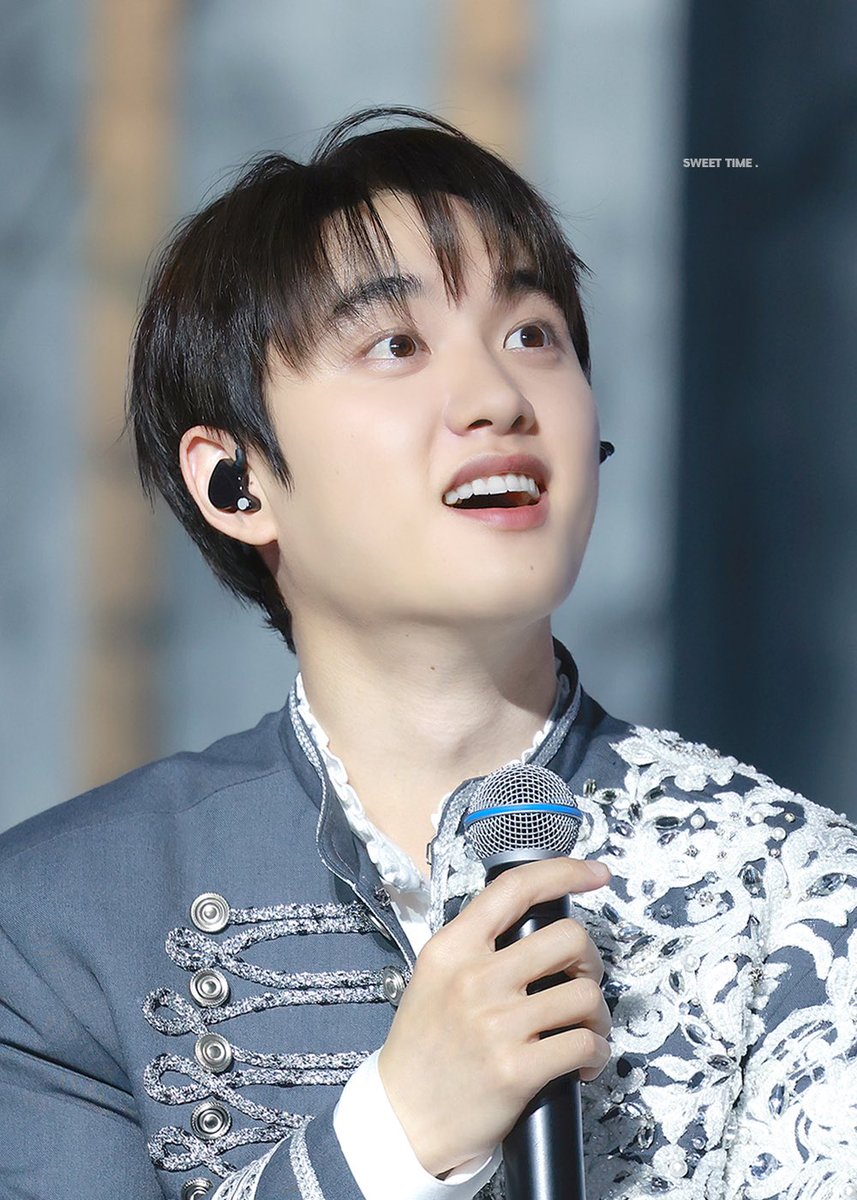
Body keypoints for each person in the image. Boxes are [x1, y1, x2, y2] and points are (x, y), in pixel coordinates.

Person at [1, 105, 855, 1200]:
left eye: (531, 335)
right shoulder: (59, 923)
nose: (497, 399)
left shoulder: (794, 889)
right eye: (396, 346)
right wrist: (394, 1138)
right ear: (235, 481)